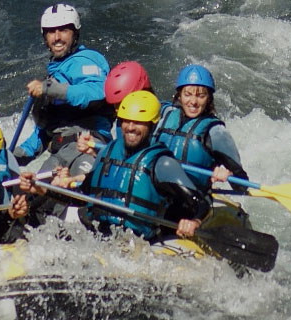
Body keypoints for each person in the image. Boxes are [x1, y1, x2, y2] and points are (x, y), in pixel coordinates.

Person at [22, 91, 210, 240]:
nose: (130, 127)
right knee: (38, 209)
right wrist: (42, 189)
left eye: (138, 122)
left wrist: (193, 221)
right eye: (126, 121)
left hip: (135, 242)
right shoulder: (108, 152)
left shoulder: (162, 163)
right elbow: (82, 194)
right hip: (98, 234)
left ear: (152, 125)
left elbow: (201, 203)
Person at [16, 3, 112, 163]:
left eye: (63, 30)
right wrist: (13, 155)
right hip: (61, 149)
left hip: (88, 144)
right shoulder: (55, 73)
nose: (57, 37)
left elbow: (96, 92)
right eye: (51, 32)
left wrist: (50, 89)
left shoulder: (85, 60)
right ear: (45, 38)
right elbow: (43, 132)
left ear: (75, 34)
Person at [153, 64, 248, 198]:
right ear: (179, 95)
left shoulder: (216, 132)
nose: (193, 101)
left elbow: (242, 184)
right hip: (156, 195)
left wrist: (228, 174)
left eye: (200, 96)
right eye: (187, 94)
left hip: (191, 201)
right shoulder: (164, 114)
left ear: (209, 98)